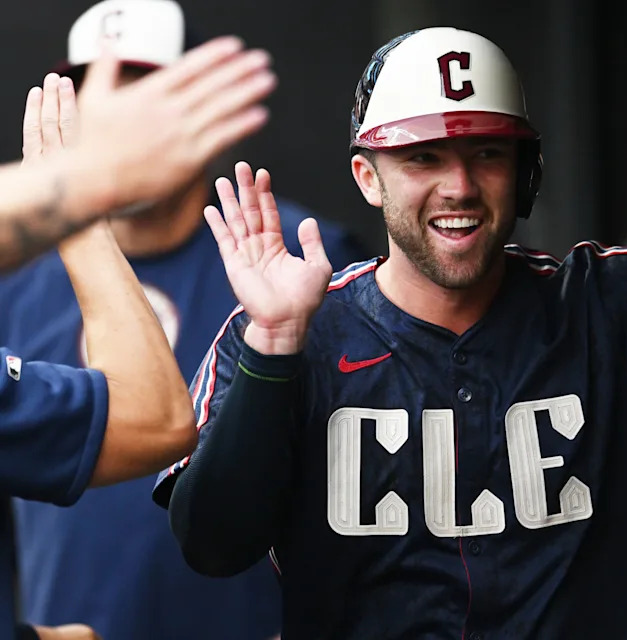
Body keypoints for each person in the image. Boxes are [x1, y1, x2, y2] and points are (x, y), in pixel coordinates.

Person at [155, 26, 627, 638]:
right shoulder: (289, 331)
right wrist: (275, 342)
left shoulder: (617, 301)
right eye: (422, 158)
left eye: (487, 154)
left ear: (526, 173)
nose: (458, 185)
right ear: (369, 178)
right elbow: (212, 546)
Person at [1, 2, 368, 639]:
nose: (116, 124)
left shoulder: (305, 258)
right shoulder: (15, 284)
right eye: (95, 95)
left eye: (145, 92)